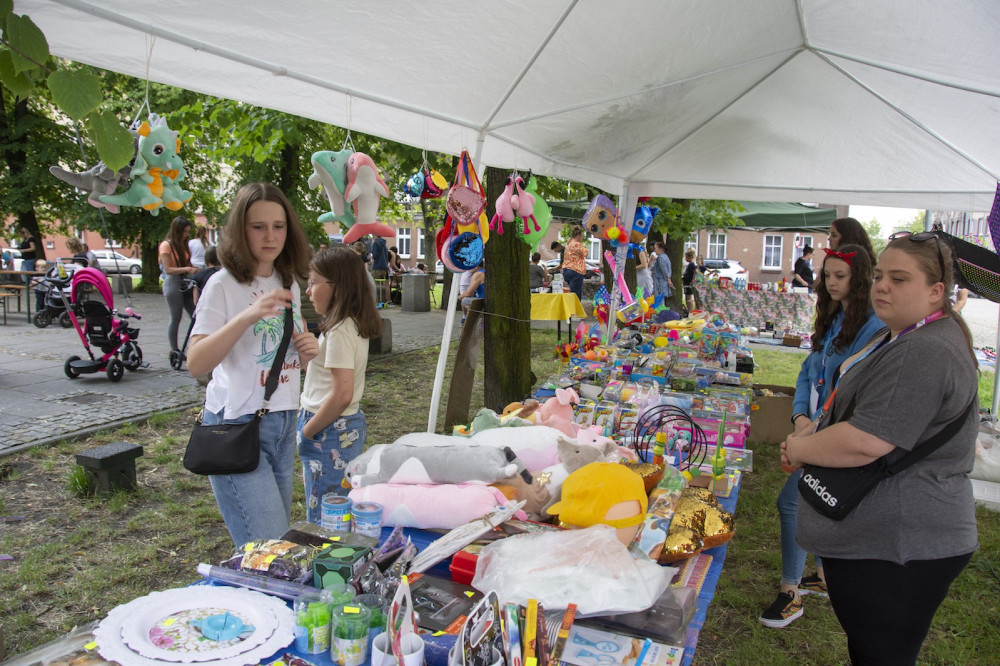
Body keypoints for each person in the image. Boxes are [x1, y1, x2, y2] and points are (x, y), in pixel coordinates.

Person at [782, 232, 978, 664]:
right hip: (891, 541)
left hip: (899, 545)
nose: (882, 286)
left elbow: (865, 439)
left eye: (900, 279)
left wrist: (801, 449)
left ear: (936, 292)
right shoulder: (908, 337)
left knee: (881, 654)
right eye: (881, 275)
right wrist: (809, 433)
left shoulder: (923, 350)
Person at [759, 244, 884, 629]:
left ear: (859, 279)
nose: (830, 282)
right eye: (826, 275)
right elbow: (807, 371)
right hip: (813, 430)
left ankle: (791, 592)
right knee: (813, 500)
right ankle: (822, 576)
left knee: (792, 503)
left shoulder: (874, 328)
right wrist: (799, 417)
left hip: (834, 437)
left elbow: (853, 392)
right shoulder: (834, 318)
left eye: (839, 276)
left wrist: (813, 433)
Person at [187, 182, 318, 548]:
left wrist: (307, 351)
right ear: (239, 230)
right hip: (237, 423)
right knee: (271, 549)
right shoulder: (222, 285)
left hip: (281, 421)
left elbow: (285, 351)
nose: (270, 236)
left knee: (271, 547)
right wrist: (246, 317)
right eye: (258, 226)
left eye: (278, 226)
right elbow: (196, 362)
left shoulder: (285, 281)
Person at [298, 246, 382, 521]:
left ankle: (324, 559)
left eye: (313, 283)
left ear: (338, 286)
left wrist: (308, 432)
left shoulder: (340, 330)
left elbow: (342, 393)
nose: (308, 291)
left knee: (325, 513)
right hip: (335, 426)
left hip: (328, 428)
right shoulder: (348, 323)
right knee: (332, 503)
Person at [160, 216, 199, 353]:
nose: (187, 235)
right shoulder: (166, 245)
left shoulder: (183, 245)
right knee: (176, 317)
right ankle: (174, 349)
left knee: (196, 314)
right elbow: (168, 269)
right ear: (178, 230)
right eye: (185, 232)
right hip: (173, 282)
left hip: (184, 281)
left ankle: (195, 345)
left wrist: (191, 268)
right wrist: (188, 269)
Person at [560, 226, 587, 300]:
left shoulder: (568, 244)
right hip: (576, 270)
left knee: (572, 292)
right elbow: (585, 253)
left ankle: (572, 308)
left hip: (566, 270)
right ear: (578, 236)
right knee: (576, 295)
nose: (582, 238)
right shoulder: (577, 244)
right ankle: (575, 310)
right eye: (582, 236)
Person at [370, 235, 390, 305]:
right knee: (382, 285)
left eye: (373, 235)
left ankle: (377, 301)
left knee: (376, 284)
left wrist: (371, 254)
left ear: (375, 235)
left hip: (377, 267)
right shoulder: (384, 244)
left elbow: (374, 255)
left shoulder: (376, 243)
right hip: (384, 267)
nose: (372, 236)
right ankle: (383, 301)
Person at [682, 248, 698, 312]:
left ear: (690, 257)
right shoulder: (690, 264)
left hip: (688, 283)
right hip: (686, 282)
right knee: (687, 297)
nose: (685, 258)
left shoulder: (692, 264)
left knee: (688, 298)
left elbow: (695, 273)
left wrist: (692, 281)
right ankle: (689, 310)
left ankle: (690, 311)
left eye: (686, 257)